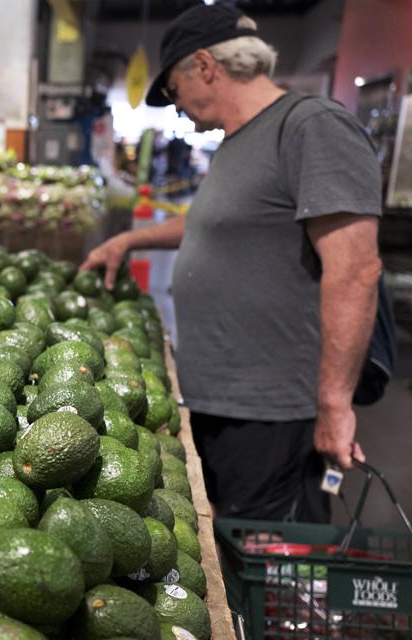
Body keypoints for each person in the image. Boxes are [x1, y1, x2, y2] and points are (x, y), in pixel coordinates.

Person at [81, 3, 382, 523]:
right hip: (223, 398)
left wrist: (335, 405)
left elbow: (356, 269)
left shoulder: (312, 127)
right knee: (226, 539)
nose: (176, 107)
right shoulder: (238, 139)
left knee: (266, 549)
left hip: (271, 410)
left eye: (173, 89)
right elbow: (214, 222)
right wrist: (130, 239)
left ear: (204, 65)